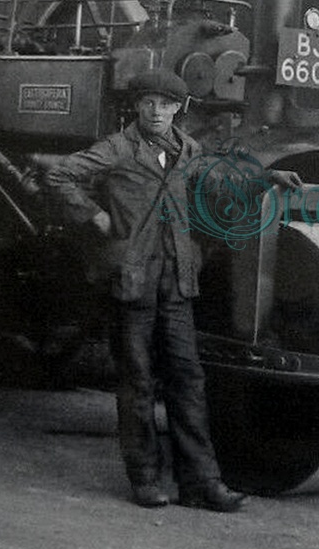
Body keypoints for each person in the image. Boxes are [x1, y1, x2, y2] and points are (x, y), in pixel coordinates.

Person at [43, 69, 301, 512]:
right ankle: (145, 478)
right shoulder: (117, 148)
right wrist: (93, 215)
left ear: (179, 109)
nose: (156, 112)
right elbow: (58, 176)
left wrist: (266, 178)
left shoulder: (189, 150)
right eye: (148, 103)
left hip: (178, 281)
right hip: (133, 280)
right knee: (138, 381)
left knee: (188, 380)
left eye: (165, 104)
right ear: (136, 106)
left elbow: (218, 183)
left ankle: (201, 483)